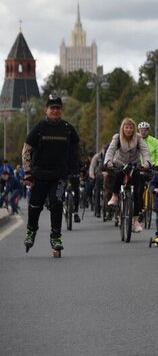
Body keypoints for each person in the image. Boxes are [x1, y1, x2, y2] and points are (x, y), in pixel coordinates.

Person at [22, 95, 82, 254]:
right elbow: (26, 151)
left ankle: (56, 237)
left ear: (61, 111)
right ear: (46, 110)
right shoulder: (39, 128)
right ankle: (31, 231)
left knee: (57, 204)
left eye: (58, 108)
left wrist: (78, 167)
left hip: (59, 176)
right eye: (52, 108)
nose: (55, 111)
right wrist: (27, 173)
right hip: (39, 175)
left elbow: (77, 149)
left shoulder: (68, 129)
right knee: (35, 206)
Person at [103, 117, 152, 233]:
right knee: (118, 174)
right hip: (120, 164)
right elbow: (111, 150)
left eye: (131, 127)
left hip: (135, 165)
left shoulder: (139, 138)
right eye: (126, 127)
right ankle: (114, 196)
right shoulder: (117, 137)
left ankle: (136, 220)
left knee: (138, 190)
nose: (129, 130)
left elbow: (145, 151)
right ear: (122, 128)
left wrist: (147, 163)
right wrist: (108, 162)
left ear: (134, 129)